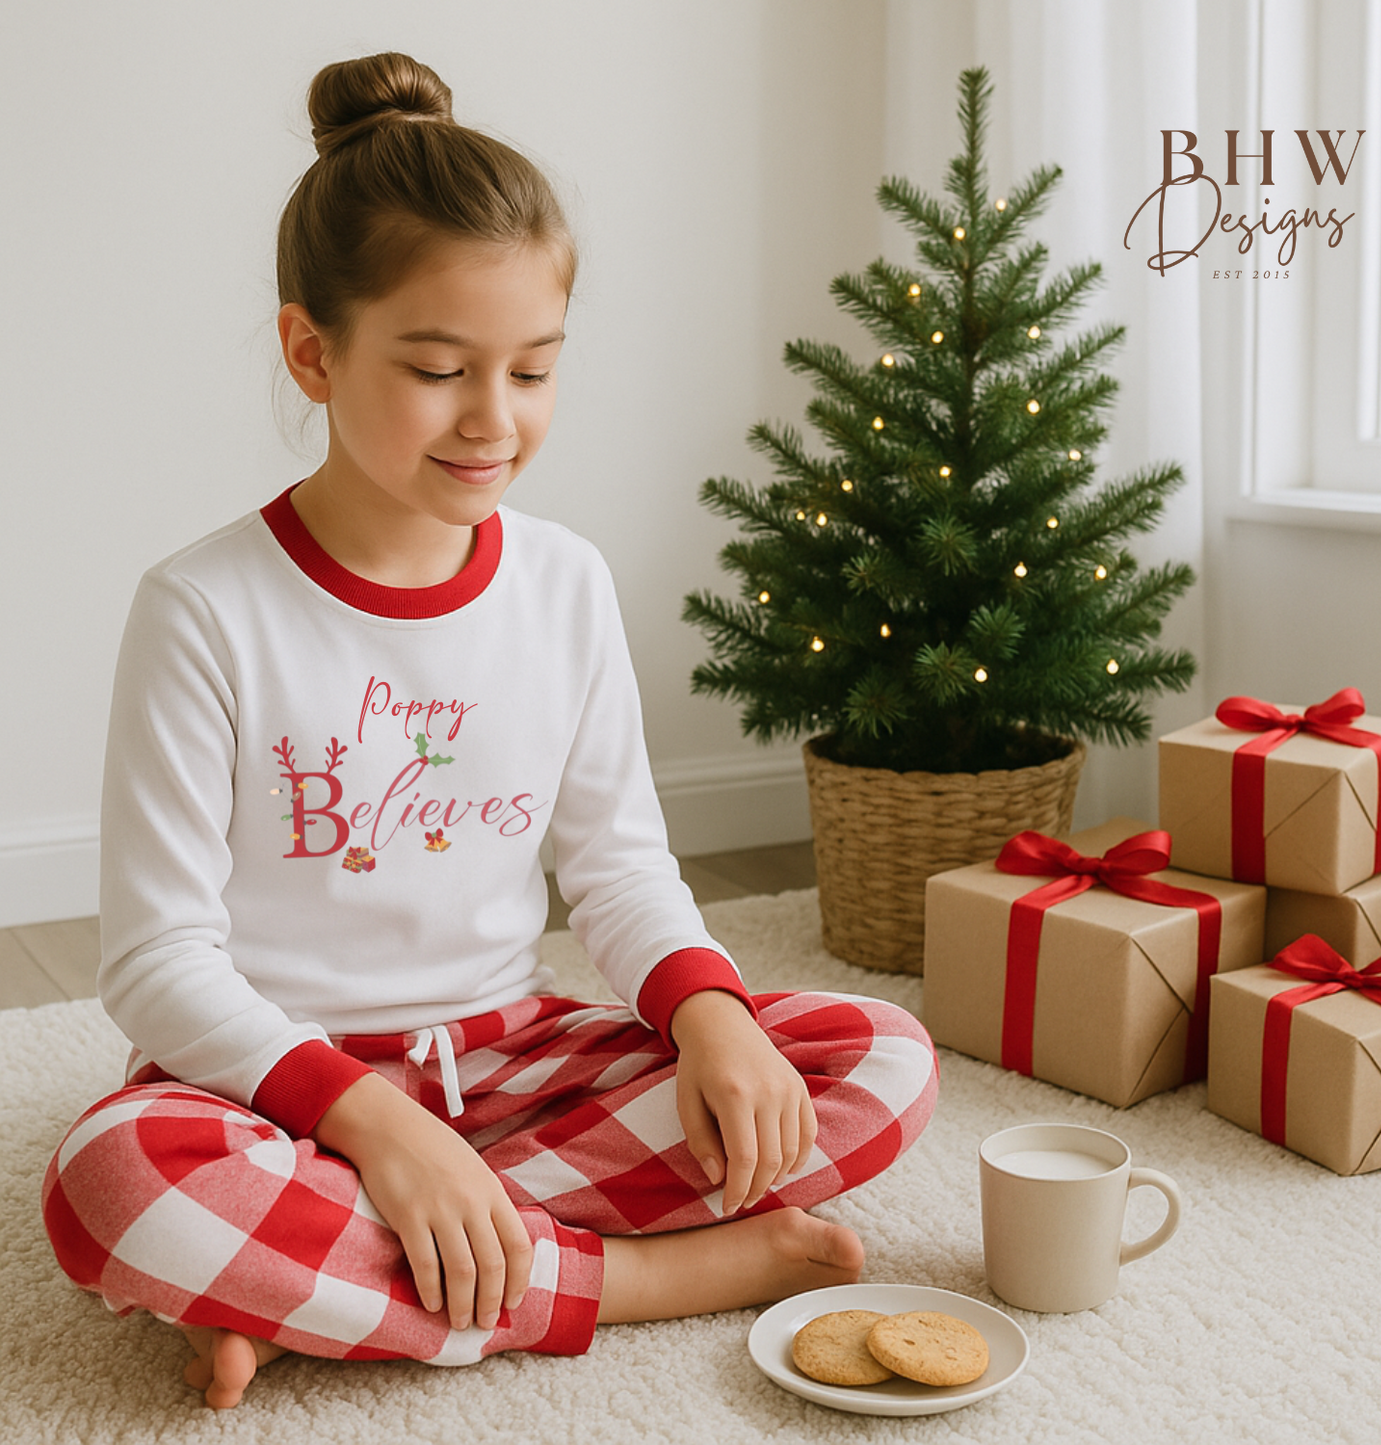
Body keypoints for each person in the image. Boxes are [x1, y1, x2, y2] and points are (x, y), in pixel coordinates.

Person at [41, 53, 938, 1411]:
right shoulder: (203, 609)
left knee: (878, 1060)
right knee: (113, 1186)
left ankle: (344, 1285)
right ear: (312, 351)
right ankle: (632, 1278)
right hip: (277, 1091)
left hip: (514, 1060)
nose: (495, 421)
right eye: (441, 369)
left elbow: (622, 870)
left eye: (533, 370)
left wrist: (714, 1022)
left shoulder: (563, 582)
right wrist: (376, 1126)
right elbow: (159, 961)